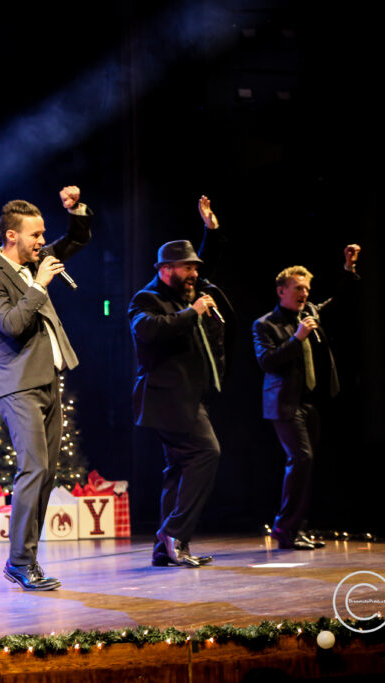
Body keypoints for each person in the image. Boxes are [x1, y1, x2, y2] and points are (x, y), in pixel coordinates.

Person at [0, 187, 92, 590]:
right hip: (18, 386)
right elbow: (10, 325)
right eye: (36, 236)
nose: (43, 242)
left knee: (46, 473)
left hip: (48, 382)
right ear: (12, 237)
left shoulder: (35, 262)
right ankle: (19, 561)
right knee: (34, 468)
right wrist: (38, 286)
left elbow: (76, 239)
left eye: (43, 235)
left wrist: (75, 210)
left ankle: (28, 561)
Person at [128, 196, 231, 567]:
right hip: (167, 399)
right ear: (165, 269)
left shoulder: (186, 290)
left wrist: (211, 230)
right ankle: (173, 534)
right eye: (186, 269)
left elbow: (210, 260)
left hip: (190, 396)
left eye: (194, 269)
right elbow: (151, 332)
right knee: (207, 452)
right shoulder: (147, 299)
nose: (193, 275)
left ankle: (165, 550)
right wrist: (192, 313)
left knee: (179, 469)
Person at [252, 245, 361, 550]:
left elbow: (338, 302)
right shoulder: (266, 325)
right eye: (298, 288)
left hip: (310, 402)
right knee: (301, 458)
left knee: (306, 464)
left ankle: (297, 528)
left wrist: (348, 269)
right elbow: (267, 362)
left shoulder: (310, 312)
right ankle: (285, 529)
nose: (304, 293)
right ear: (281, 291)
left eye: (307, 289)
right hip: (285, 404)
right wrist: (296, 338)